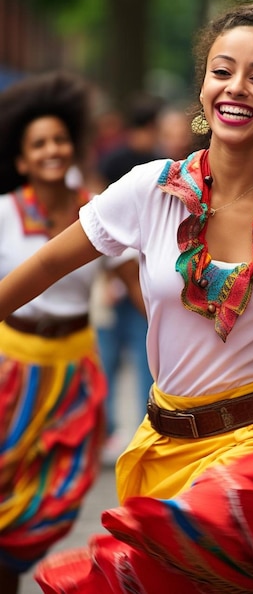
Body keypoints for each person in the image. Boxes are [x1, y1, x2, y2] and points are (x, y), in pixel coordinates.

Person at [1, 0, 253, 593]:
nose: (237, 87)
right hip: (164, 447)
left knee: (212, 532)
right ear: (203, 89)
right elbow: (45, 262)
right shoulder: (149, 191)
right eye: (223, 71)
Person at [0, 70, 144, 594]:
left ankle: (10, 563)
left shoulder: (98, 211)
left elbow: (138, 286)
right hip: (9, 373)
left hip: (76, 377)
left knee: (60, 496)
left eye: (59, 139)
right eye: (38, 143)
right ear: (21, 160)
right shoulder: (3, 214)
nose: (51, 149)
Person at [94, 94, 166, 464]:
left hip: (116, 274)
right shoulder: (156, 166)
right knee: (144, 358)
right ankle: (145, 430)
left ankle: (109, 431)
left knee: (109, 359)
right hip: (139, 275)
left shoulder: (113, 160)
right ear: (152, 125)